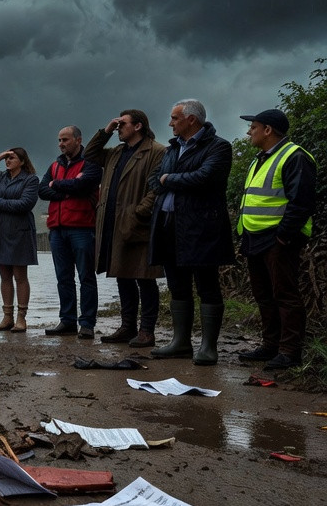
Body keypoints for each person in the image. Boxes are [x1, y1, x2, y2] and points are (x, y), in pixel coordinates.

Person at [148, 99, 234, 365]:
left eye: (175, 118)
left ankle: (209, 348)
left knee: (207, 286)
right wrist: (170, 179)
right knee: (177, 285)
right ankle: (180, 342)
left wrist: (170, 179)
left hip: (202, 227)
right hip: (169, 225)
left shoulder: (219, 146)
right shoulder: (173, 148)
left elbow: (206, 178)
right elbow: (153, 180)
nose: (170, 123)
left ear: (191, 120)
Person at [236, 109, 318, 371]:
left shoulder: (295, 156)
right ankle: (270, 346)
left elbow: (301, 202)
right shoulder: (258, 159)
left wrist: (283, 236)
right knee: (264, 295)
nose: (250, 132)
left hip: (278, 240)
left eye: (254, 127)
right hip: (255, 237)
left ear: (268, 130)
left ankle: (289, 352)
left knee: (285, 294)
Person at [84, 110, 167, 348]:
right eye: (117, 124)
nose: (119, 127)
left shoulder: (157, 151)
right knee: (122, 274)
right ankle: (127, 326)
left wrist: (141, 210)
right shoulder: (116, 152)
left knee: (144, 277)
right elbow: (90, 154)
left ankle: (147, 331)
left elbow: (156, 187)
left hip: (138, 223)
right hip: (113, 222)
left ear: (138, 126)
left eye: (123, 124)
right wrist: (106, 130)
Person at [38, 126, 103, 338]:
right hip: (57, 230)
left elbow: (84, 185)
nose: (61, 144)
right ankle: (67, 321)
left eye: (65, 139)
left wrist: (56, 184)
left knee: (86, 277)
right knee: (63, 278)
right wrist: (66, 190)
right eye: (59, 140)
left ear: (78, 140)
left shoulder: (91, 162)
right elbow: (42, 190)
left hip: (82, 228)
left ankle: (87, 324)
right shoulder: (55, 165)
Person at [0, 148, 41, 332]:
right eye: (6, 158)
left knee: (20, 277)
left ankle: (21, 318)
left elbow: (25, 204)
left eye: (11, 158)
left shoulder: (30, 179)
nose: (8, 161)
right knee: (4, 277)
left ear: (22, 161)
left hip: (19, 233)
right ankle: (7, 317)